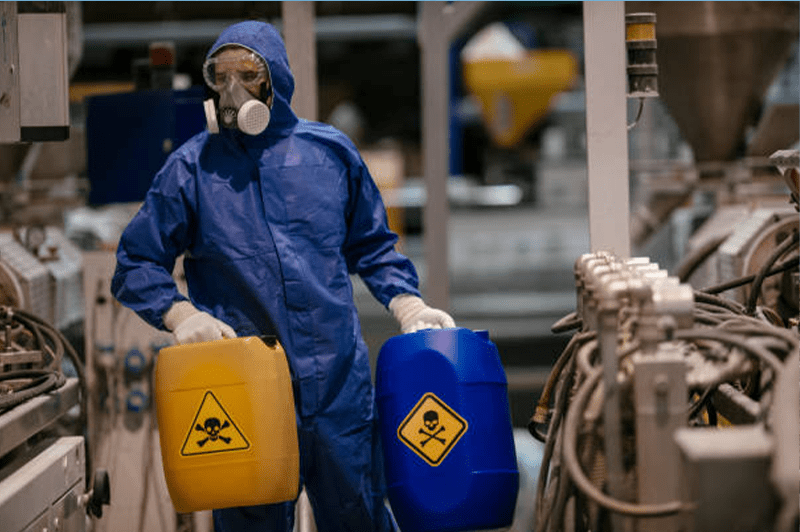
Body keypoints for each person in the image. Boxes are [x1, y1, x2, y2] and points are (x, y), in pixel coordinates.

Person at [111, 20, 455, 532]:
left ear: (275, 81)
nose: (231, 89)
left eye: (246, 74)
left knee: (357, 515)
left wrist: (407, 302)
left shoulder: (330, 154)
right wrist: (179, 313)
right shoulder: (192, 169)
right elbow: (135, 262)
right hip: (247, 391)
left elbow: (373, 246)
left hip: (337, 387)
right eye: (219, 75)